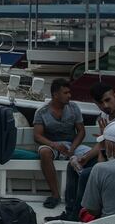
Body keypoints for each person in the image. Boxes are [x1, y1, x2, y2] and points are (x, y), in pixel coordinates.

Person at [50, 82, 115, 222]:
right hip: (114, 158)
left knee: (87, 175)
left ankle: (77, 217)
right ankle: (70, 212)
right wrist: (85, 158)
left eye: (108, 100)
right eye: (100, 103)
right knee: (73, 165)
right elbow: (102, 144)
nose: (105, 106)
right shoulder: (104, 116)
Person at [33, 78, 90, 208]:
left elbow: (81, 131)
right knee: (44, 152)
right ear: (55, 94)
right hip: (52, 145)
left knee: (94, 153)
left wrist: (73, 148)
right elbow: (37, 136)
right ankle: (55, 195)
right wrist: (54, 145)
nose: (69, 95)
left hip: (72, 145)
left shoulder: (73, 107)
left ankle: (85, 195)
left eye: (69, 92)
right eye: (65, 93)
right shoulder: (42, 112)